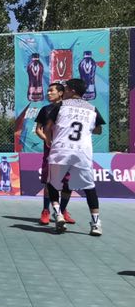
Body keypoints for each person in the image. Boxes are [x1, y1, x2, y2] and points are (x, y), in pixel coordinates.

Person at [43, 78, 105, 236]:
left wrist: (49, 140)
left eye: (66, 88)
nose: (64, 91)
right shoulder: (92, 108)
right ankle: (96, 223)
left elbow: (48, 127)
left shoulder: (60, 105)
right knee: (89, 187)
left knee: (52, 183)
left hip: (61, 150)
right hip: (82, 152)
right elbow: (98, 130)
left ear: (72, 91)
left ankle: (58, 214)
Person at [35, 82, 72, 225]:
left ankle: (62, 211)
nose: (49, 93)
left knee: (68, 183)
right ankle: (45, 210)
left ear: (61, 93)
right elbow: (38, 129)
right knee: (48, 181)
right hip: (50, 151)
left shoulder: (69, 109)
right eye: (48, 91)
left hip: (68, 150)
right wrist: (47, 140)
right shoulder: (45, 110)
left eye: (52, 91)